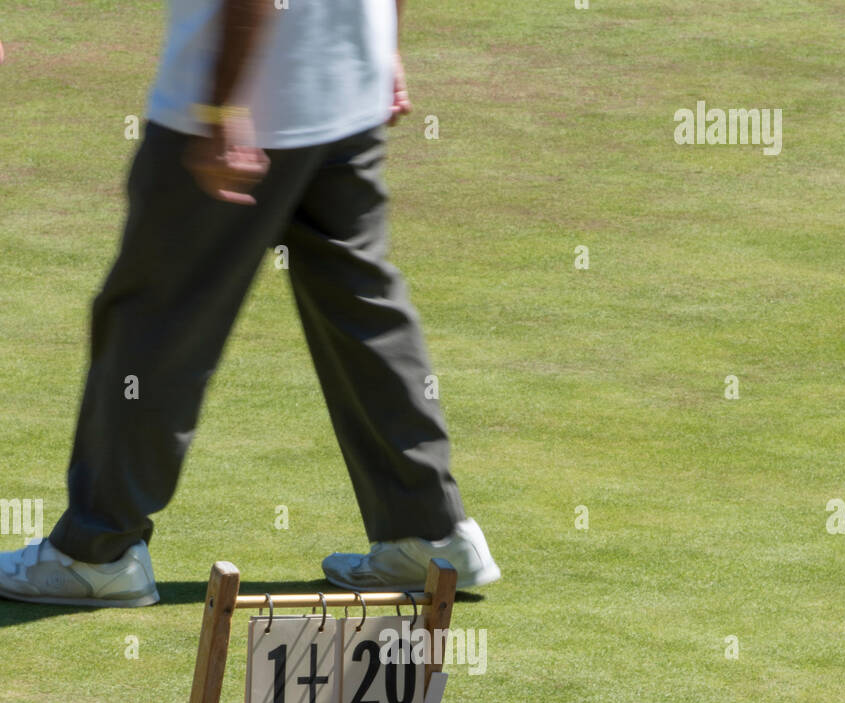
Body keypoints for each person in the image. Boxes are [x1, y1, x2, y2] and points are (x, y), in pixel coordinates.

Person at [0, 0, 500, 607]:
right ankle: (431, 537)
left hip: (251, 97)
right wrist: (384, 43)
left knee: (153, 320)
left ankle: (96, 552)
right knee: (359, 307)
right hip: (347, 84)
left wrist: (222, 106)